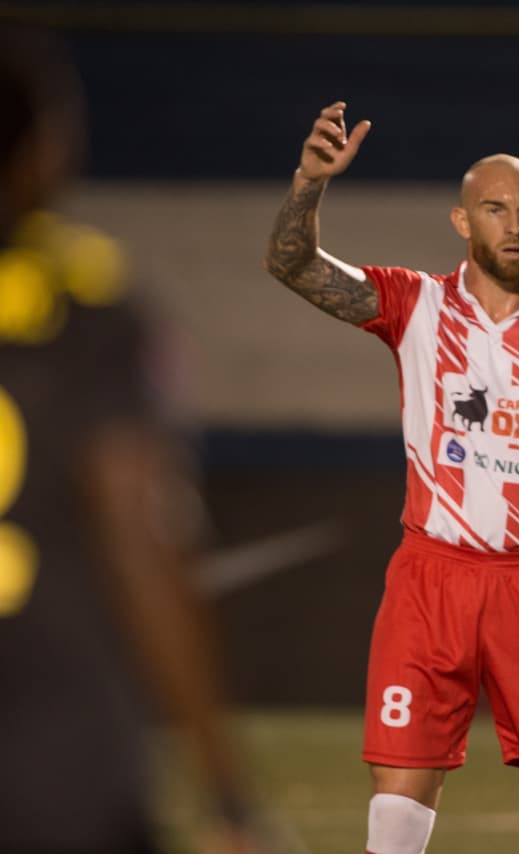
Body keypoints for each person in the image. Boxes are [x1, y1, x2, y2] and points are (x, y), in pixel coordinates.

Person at [264, 101, 519, 854]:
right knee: (394, 815)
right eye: (494, 208)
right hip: (432, 581)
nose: (513, 224)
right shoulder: (414, 305)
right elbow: (291, 265)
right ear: (462, 222)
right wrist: (308, 184)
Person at [0, 26, 258, 853]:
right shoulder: (87, 300)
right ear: (41, 146)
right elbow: (141, 536)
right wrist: (226, 790)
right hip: (55, 758)